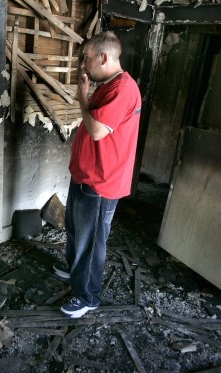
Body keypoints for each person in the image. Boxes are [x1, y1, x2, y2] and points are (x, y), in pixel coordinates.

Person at [54, 31, 142, 318]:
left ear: (103, 57)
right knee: (76, 232)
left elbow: (96, 130)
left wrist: (82, 96)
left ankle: (87, 297)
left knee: (91, 244)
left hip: (102, 183)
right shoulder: (108, 85)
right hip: (85, 176)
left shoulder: (123, 88)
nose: (83, 64)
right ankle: (74, 272)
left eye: (87, 58)